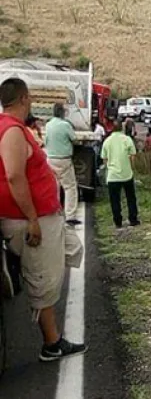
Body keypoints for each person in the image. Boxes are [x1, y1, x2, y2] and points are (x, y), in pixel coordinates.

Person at [0, 78, 87, 361]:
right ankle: (52, 343)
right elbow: (14, 175)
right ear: (24, 99)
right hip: (30, 220)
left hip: (44, 215)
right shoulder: (12, 130)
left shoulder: (15, 128)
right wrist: (32, 219)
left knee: (68, 250)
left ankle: (41, 291)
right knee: (41, 277)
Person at [44, 103, 80, 226]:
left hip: (50, 159)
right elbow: (74, 138)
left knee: (55, 187)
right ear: (62, 112)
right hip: (64, 159)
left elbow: (45, 140)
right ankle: (70, 215)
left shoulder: (48, 124)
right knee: (70, 187)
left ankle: (56, 213)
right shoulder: (65, 125)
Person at [101, 120, 140, 229]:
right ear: (121, 128)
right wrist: (132, 167)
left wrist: (109, 167)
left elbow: (104, 159)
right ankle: (133, 218)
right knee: (131, 197)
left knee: (115, 199)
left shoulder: (107, 141)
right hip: (126, 173)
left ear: (112, 129)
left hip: (113, 175)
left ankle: (118, 221)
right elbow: (132, 156)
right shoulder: (127, 140)